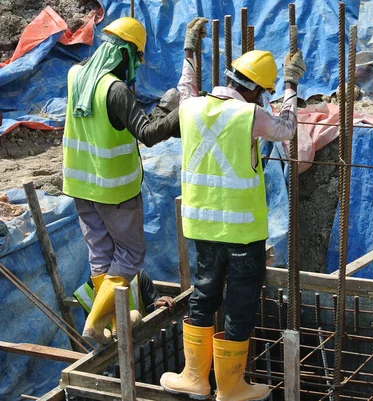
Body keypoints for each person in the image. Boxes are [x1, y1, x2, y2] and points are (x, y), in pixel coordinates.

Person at [159, 17, 305, 401]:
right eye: (265, 91)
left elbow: (185, 87)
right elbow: (287, 129)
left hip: (202, 228)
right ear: (257, 90)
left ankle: (194, 378)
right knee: (239, 303)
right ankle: (230, 386)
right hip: (242, 233)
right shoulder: (251, 115)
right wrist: (290, 87)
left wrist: (190, 51)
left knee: (203, 296)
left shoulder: (190, 108)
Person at [62, 17, 180, 345]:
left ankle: (112, 321)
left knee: (100, 252)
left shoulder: (76, 75)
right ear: (126, 54)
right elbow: (148, 133)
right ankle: (98, 319)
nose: (138, 66)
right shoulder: (114, 90)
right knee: (130, 253)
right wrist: (175, 112)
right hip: (113, 189)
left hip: (79, 185)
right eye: (137, 58)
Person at [74, 269, 175, 337]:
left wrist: (158, 303)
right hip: (113, 349)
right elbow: (95, 329)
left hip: (144, 336)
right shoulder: (86, 292)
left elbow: (152, 306)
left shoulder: (137, 276)